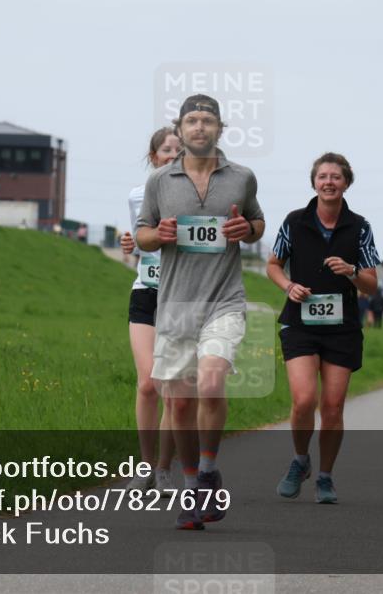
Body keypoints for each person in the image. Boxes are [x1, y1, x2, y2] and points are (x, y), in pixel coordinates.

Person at [135, 94, 265, 530]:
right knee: (181, 406)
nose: (199, 127)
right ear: (181, 127)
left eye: (207, 120)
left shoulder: (242, 178)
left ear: (219, 129)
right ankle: (193, 489)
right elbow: (142, 235)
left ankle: (208, 472)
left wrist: (247, 229)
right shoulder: (159, 181)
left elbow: (257, 223)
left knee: (211, 381)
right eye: (191, 120)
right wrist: (161, 234)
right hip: (174, 305)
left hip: (223, 299)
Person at [267, 153, 379, 504]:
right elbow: (273, 264)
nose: (329, 182)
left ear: (346, 183)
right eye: (323, 176)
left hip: (342, 327)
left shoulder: (359, 227)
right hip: (299, 322)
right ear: (314, 182)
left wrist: (350, 270)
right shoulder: (295, 221)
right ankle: (301, 460)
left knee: (332, 406)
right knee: (304, 400)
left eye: (336, 177)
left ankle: (326, 478)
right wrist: (288, 286)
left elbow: (372, 285)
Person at [119, 128, 180, 495]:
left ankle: (164, 470)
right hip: (145, 291)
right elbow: (137, 240)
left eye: (178, 150)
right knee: (147, 383)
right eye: (165, 150)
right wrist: (128, 243)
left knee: (171, 389)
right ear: (153, 156)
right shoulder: (138, 196)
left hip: (181, 297)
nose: (172, 155)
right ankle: (143, 466)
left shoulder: (200, 198)